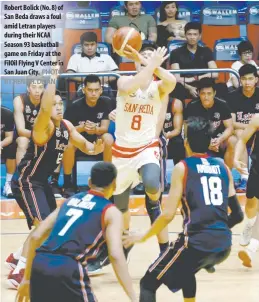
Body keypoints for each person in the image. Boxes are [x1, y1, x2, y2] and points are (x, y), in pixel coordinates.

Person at [6, 59, 104, 289]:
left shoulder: (66, 126)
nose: (58, 107)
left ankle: (15, 257)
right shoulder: (44, 125)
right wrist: (52, 76)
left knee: (52, 226)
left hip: (42, 183)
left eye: (62, 103)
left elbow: (85, 146)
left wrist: (95, 148)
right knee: (42, 227)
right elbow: (46, 105)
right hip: (27, 181)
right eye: (55, 103)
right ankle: (20, 272)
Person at [123, 116, 244, 302]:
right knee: (187, 270)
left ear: (186, 143)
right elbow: (237, 214)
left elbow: (168, 215)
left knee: (148, 283)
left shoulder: (183, 167)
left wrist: (144, 236)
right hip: (224, 246)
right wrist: (216, 232)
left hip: (196, 243)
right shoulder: (223, 167)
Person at [15, 162, 137, 302]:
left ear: (90, 182)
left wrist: (26, 279)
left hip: (40, 262)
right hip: (68, 266)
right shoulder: (111, 211)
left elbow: (35, 237)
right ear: (114, 185)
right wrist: (133, 297)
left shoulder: (70, 200)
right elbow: (115, 255)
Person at [112, 45, 176, 258]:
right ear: (135, 61)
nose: (147, 60)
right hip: (122, 151)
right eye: (143, 57)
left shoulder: (158, 87)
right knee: (120, 205)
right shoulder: (124, 81)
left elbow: (172, 82)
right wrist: (148, 62)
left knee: (151, 183)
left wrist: (149, 63)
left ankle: (164, 249)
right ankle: (125, 245)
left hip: (146, 147)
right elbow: (135, 83)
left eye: (151, 58)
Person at [54, 74, 114, 198]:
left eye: (96, 90)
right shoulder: (74, 106)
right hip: (79, 140)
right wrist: (81, 128)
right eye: (90, 90)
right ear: (84, 90)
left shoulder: (106, 102)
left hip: (97, 139)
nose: (93, 93)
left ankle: (107, 181)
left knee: (108, 138)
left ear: (101, 90)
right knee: (68, 143)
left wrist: (95, 129)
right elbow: (66, 130)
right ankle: (68, 183)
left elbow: (104, 128)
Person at [184, 78, 235, 168]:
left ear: (214, 93)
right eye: (203, 93)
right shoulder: (192, 106)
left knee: (233, 140)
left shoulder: (222, 104)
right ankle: (192, 172)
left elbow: (230, 128)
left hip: (219, 140)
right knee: (187, 142)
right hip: (200, 141)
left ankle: (227, 174)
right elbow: (189, 132)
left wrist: (219, 139)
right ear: (198, 93)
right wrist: (207, 143)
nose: (206, 97)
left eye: (209, 93)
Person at [170, 22, 227, 101]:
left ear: (200, 36)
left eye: (195, 34)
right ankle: (179, 113)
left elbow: (215, 74)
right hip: (186, 86)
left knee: (222, 87)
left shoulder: (206, 51)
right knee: (177, 88)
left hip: (205, 86)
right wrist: (190, 88)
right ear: (185, 35)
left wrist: (195, 78)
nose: (192, 37)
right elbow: (177, 79)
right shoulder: (176, 53)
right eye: (189, 34)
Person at [227, 64, 259, 193]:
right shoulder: (233, 97)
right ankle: (245, 177)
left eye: (250, 79)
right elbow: (233, 123)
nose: (247, 82)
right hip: (241, 133)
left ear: (256, 79)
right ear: (240, 80)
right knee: (237, 136)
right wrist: (252, 127)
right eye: (244, 79)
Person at [234, 114, 259, 267]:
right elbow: (242, 140)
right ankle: (249, 224)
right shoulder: (257, 118)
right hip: (257, 169)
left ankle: (251, 249)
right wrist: (236, 159)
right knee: (251, 206)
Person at [13, 78, 45, 165]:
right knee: (23, 141)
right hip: (26, 135)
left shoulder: (47, 100)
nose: (37, 91)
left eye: (40, 87)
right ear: (28, 88)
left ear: (44, 89)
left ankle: (54, 177)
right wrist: (37, 136)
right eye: (34, 87)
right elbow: (21, 131)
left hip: (44, 135)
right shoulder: (19, 100)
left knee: (57, 141)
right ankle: (21, 175)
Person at [163, 97, 185, 164]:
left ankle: (180, 168)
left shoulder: (175, 103)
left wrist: (166, 135)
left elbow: (177, 129)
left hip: (171, 136)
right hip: (153, 137)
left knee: (178, 143)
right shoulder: (150, 101)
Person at [1, 106, 16, 197]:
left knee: (12, 147)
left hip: (3, 143)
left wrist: (0, 144)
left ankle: (8, 183)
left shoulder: (7, 114)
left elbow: (9, 137)